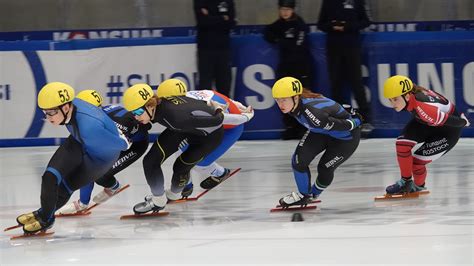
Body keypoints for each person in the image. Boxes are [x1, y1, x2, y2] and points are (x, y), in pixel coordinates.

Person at [16, 82, 130, 234]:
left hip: (99, 160)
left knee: (65, 187)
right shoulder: (70, 105)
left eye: (51, 113)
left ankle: (46, 219)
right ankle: (44, 212)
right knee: (50, 177)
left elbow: (122, 145)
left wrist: (123, 139)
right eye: (45, 112)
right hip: (79, 141)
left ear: (65, 108)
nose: (48, 118)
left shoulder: (90, 128)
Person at [123, 79, 225, 214]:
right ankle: (159, 200)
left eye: (137, 112)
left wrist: (217, 108)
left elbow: (218, 120)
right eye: (133, 113)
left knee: (181, 166)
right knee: (150, 161)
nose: (135, 117)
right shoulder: (161, 106)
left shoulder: (176, 118)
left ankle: (174, 194)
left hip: (208, 137)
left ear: (150, 105)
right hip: (183, 128)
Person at [55, 90, 151, 215]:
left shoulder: (117, 123)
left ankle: (111, 188)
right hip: (120, 141)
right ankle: (95, 196)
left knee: (99, 174)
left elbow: (143, 126)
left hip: (135, 145)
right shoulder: (93, 119)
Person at [271, 77, 362, 207]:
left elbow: (340, 125)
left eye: (284, 100)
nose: (281, 104)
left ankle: (313, 193)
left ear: (296, 97)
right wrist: (342, 109)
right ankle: (304, 195)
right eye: (277, 100)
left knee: (325, 168)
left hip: (345, 138)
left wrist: (357, 121)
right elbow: (327, 105)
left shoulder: (313, 114)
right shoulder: (298, 104)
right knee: (298, 161)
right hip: (321, 131)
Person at [154, 82, 254, 197]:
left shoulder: (199, 105)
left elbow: (223, 119)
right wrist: (236, 104)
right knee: (179, 145)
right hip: (211, 125)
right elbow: (213, 94)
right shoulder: (186, 97)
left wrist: (245, 117)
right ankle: (186, 185)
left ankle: (220, 173)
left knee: (199, 164)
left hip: (230, 128)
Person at [382, 75, 470, 194]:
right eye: (390, 100)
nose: (392, 104)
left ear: (407, 96)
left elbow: (452, 121)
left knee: (416, 163)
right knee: (402, 145)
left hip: (448, 131)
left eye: (395, 99)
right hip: (429, 122)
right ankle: (406, 182)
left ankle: (418, 187)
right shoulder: (414, 96)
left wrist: (463, 122)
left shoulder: (422, 107)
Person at [317, 0, 373, 135]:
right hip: (334, 48)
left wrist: (347, 26)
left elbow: (366, 21)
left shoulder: (357, 1)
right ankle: (339, 120)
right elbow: (321, 24)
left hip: (352, 48)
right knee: (336, 84)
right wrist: (332, 26)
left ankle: (365, 120)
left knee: (356, 83)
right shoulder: (328, 2)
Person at [264, 0, 313, 140]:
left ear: (293, 10)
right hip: (285, 67)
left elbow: (297, 46)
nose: (285, 12)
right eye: (282, 9)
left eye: (288, 9)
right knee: (284, 97)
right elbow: (268, 32)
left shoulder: (299, 24)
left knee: (301, 97)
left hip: (301, 67)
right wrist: (280, 39)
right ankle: (290, 126)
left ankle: (303, 127)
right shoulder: (279, 25)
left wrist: (283, 41)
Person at [193, 0, 236, 96]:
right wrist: (222, 18)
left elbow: (231, 22)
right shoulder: (200, 2)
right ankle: (205, 111)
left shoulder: (228, 1)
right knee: (205, 88)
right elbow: (202, 22)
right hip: (205, 50)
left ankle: (224, 111)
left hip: (223, 49)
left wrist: (210, 16)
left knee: (224, 86)